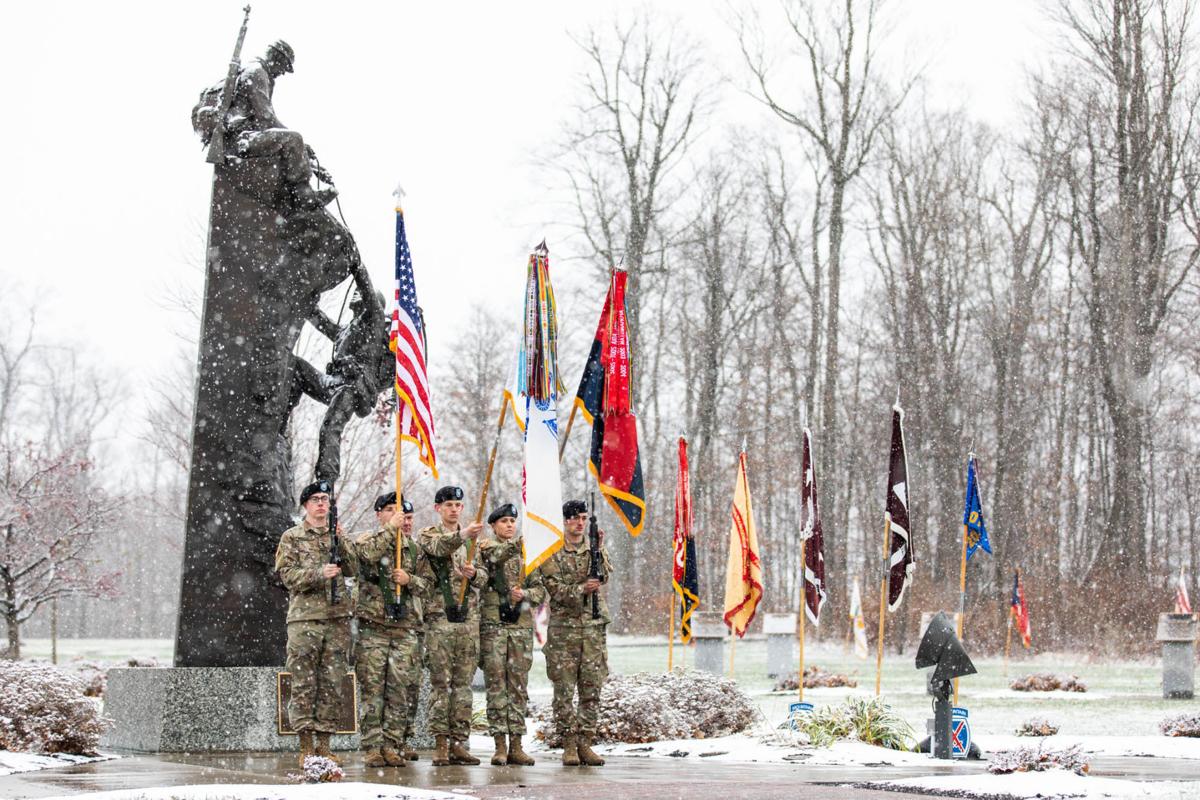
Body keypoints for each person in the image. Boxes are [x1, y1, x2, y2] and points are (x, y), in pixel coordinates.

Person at [274, 479, 358, 767]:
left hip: (336, 618)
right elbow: (286, 575)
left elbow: (355, 567)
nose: (322, 503)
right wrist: (317, 573)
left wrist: (342, 539)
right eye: (316, 499)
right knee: (304, 682)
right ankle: (306, 747)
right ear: (306, 505)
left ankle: (325, 745)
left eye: (325, 499)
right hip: (305, 619)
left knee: (333, 682)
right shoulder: (292, 537)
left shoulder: (337, 535)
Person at [200, 40, 336, 210]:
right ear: (276, 58)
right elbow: (266, 118)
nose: (283, 73)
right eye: (284, 67)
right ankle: (302, 195)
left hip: (244, 137)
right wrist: (301, 146)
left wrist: (307, 158)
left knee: (294, 142)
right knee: (294, 139)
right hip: (240, 141)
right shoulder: (257, 73)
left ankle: (298, 192)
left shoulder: (257, 72)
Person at [525, 499, 611, 767]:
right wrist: (579, 590)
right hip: (565, 629)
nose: (580, 523)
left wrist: (600, 548)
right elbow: (554, 588)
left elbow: (606, 575)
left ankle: (586, 742)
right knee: (563, 690)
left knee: (591, 688)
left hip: (593, 627)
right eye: (575, 518)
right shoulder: (553, 551)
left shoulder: (592, 547)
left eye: (583, 518)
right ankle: (569, 744)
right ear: (564, 521)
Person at [351, 492, 426, 768]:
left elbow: (427, 586)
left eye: (399, 510)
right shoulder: (368, 540)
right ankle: (372, 746)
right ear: (379, 514)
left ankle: (392, 744)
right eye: (389, 509)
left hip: (404, 627)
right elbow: (366, 555)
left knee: (398, 690)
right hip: (373, 627)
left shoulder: (413, 549)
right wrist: (390, 529)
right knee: (373, 689)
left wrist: (409, 580)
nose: (396, 514)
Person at [415, 486, 488, 766]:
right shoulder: (430, 534)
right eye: (448, 505)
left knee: (463, 686)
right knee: (440, 684)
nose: (454, 509)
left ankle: (459, 741)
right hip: (440, 619)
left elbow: (483, 576)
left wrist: (475, 573)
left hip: (467, 620)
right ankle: (441, 743)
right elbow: (438, 548)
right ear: (438, 509)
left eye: (458, 504)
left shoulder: (474, 542)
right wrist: (462, 535)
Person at [478, 503, 543, 766]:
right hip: (494, 627)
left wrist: (525, 594)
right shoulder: (485, 548)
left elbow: (540, 590)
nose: (509, 525)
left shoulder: (527, 556)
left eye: (512, 521)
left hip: (519, 629)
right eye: (503, 521)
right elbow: (490, 565)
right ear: (493, 525)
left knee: (517, 687)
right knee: (496, 686)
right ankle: (499, 745)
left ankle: (516, 744)